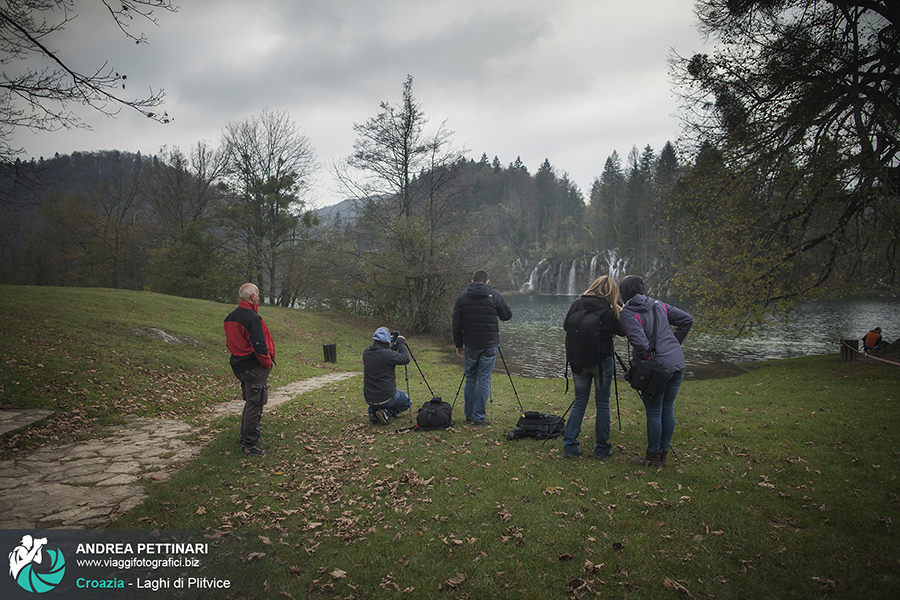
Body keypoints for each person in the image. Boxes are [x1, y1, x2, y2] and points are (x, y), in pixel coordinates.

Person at [619, 275, 693, 467]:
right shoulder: (658, 305)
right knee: (667, 409)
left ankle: (652, 457)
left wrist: (634, 367)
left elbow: (642, 346)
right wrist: (673, 344)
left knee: (654, 411)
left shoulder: (628, 313)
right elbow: (686, 319)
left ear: (624, 292)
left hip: (657, 369)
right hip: (677, 363)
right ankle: (662, 454)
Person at [562, 275, 627, 458]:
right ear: (611, 292)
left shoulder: (577, 304)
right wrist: (621, 311)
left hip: (578, 361)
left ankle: (570, 446)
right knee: (602, 404)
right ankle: (602, 449)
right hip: (601, 363)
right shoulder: (609, 310)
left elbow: (566, 325)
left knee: (579, 402)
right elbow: (623, 331)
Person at [452, 269, 513, 425]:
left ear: (472, 281)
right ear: (487, 282)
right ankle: (479, 418)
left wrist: (459, 345)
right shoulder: (494, 296)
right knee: (484, 380)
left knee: (471, 379)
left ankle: (469, 416)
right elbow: (507, 316)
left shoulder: (462, 297)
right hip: (489, 344)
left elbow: (456, 324)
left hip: (471, 345)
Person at [224, 283, 275, 456]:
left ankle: (246, 436)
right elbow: (259, 344)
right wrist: (266, 362)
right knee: (255, 403)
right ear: (252, 297)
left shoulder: (231, 317)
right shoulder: (252, 318)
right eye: (258, 295)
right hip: (253, 366)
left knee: (250, 402)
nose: (259, 298)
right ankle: (250, 445)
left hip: (239, 365)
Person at [362, 327, 412, 424]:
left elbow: (384, 355)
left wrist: (394, 346)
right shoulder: (387, 354)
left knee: (378, 398)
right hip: (386, 397)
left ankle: (373, 412)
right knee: (407, 402)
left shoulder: (366, 352)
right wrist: (401, 343)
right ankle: (387, 413)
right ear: (386, 340)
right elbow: (405, 359)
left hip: (369, 398)